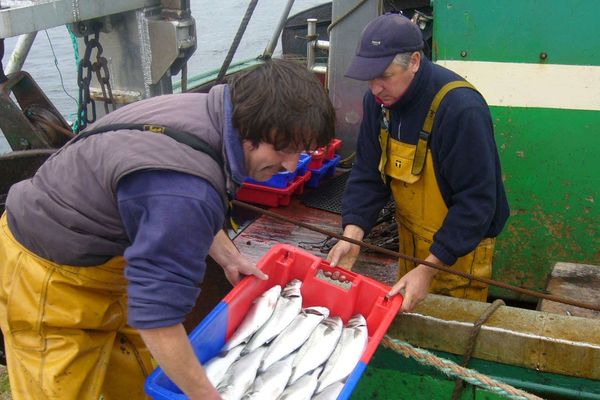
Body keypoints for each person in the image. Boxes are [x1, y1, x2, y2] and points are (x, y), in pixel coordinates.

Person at [0, 59, 335, 400]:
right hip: (45, 271)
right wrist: (208, 397)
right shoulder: (186, 192)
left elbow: (171, 200)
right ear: (251, 125)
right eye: (283, 148)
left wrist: (227, 256)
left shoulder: (207, 112)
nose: (291, 165)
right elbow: (157, 319)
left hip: (108, 255)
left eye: (301, 150)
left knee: (146, 375)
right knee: (59, 387)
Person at [327, 13, 509, 312]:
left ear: (414, 61)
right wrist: (352, 235)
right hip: (410, 241)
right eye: (369, 77)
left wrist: (428, 269)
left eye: (384, 76)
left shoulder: (461, 109)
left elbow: (477, 202)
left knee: (450, 333)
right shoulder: (379, 102)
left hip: (460, 251)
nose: (375, 88)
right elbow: (368, 173)